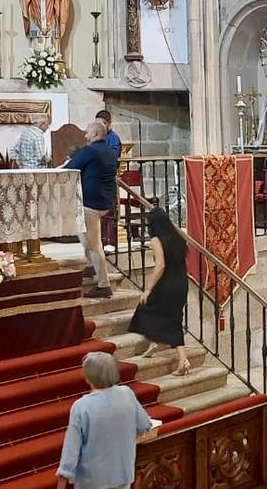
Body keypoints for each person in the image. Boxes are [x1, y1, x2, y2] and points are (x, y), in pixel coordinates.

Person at [56, 352, 152, 489]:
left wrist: (62, 481)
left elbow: (71, 448)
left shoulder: (81, 406)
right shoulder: (127, 394)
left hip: (92, 481)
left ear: (88, 377)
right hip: (123, 475)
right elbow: (144, 425)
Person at [128, 207, 191, 376]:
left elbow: (160, 265)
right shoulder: (179, 236)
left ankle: (178, 357)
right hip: (181, 283)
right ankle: (160, 346)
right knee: (173, 318)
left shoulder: (156, 240)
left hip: (166, 284)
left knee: (145, 308)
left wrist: (148, 289)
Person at [64, 121, 118, 299]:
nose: (85, 136)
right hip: (105, 201)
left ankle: (104, 285)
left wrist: (66, 164)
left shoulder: (90, 151)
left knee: (94, 245)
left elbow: (70, 169)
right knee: (84, 235)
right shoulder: (110, 152)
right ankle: (90, 266)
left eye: (87, 133)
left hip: (91, 203)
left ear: (95, 133)